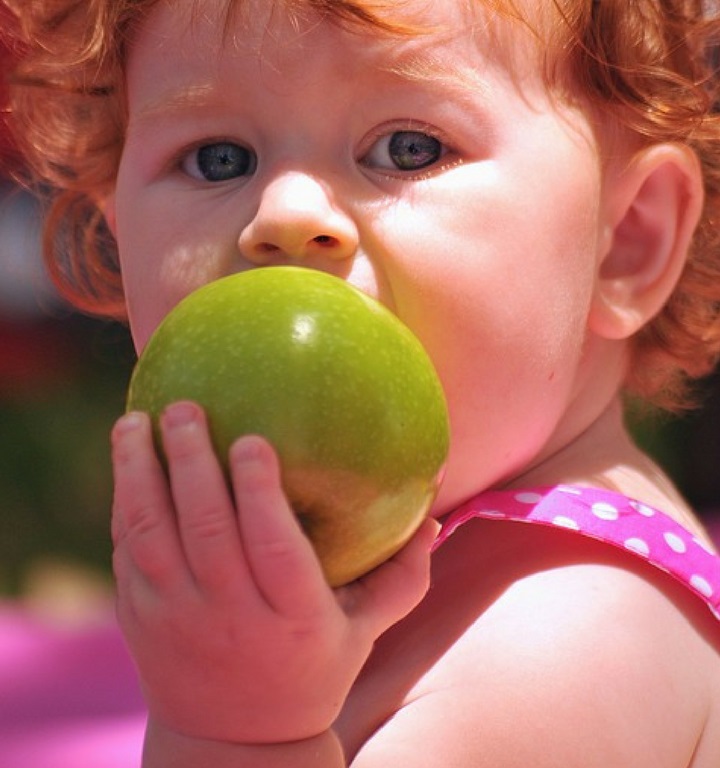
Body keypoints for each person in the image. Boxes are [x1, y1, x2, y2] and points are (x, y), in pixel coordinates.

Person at [4, 0, 720, 765]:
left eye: (409, 148)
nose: (285, 213)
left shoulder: (570, 637)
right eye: (220, 158)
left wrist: (234, 731)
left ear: (627, 240)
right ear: (118, 230)